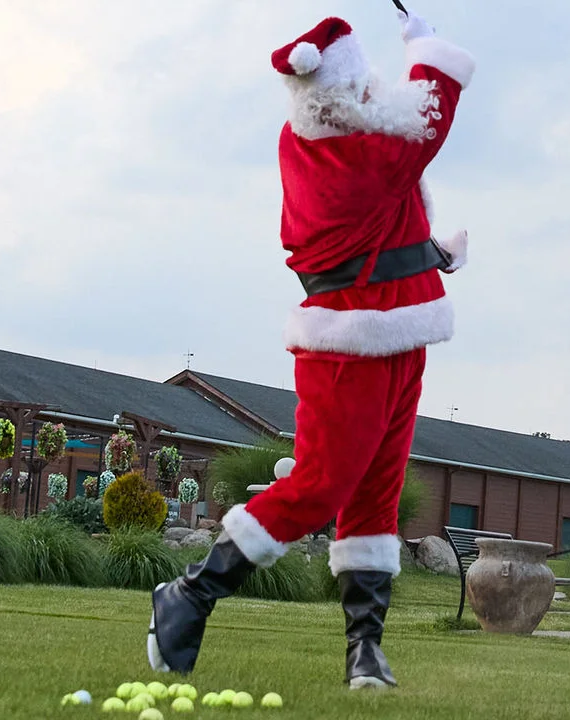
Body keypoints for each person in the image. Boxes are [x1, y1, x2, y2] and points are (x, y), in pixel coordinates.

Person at [147, 7, 475, 690]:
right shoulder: (357, 157)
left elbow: (390, 204)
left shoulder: (319, 135)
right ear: (338, 97)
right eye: (360, 90)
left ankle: (365, 649)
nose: (370, 96)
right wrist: (428, 43)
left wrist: (429, 252)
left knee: (378, 490)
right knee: (321, 485)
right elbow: (426, 117)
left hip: (401, 330)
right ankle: (192, 593)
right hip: (346, 346)